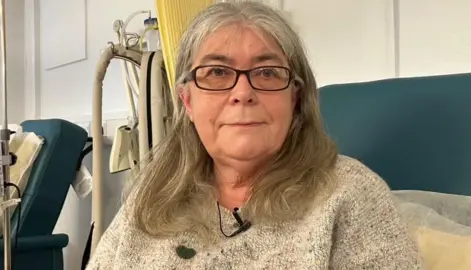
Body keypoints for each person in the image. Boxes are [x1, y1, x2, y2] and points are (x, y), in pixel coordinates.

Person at [87, 2, 424, 269]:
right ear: (187, 101)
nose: (243, 92)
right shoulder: (152, 196)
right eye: (217, 72)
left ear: (295, 97)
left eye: (266, 72)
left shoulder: (350, 195)